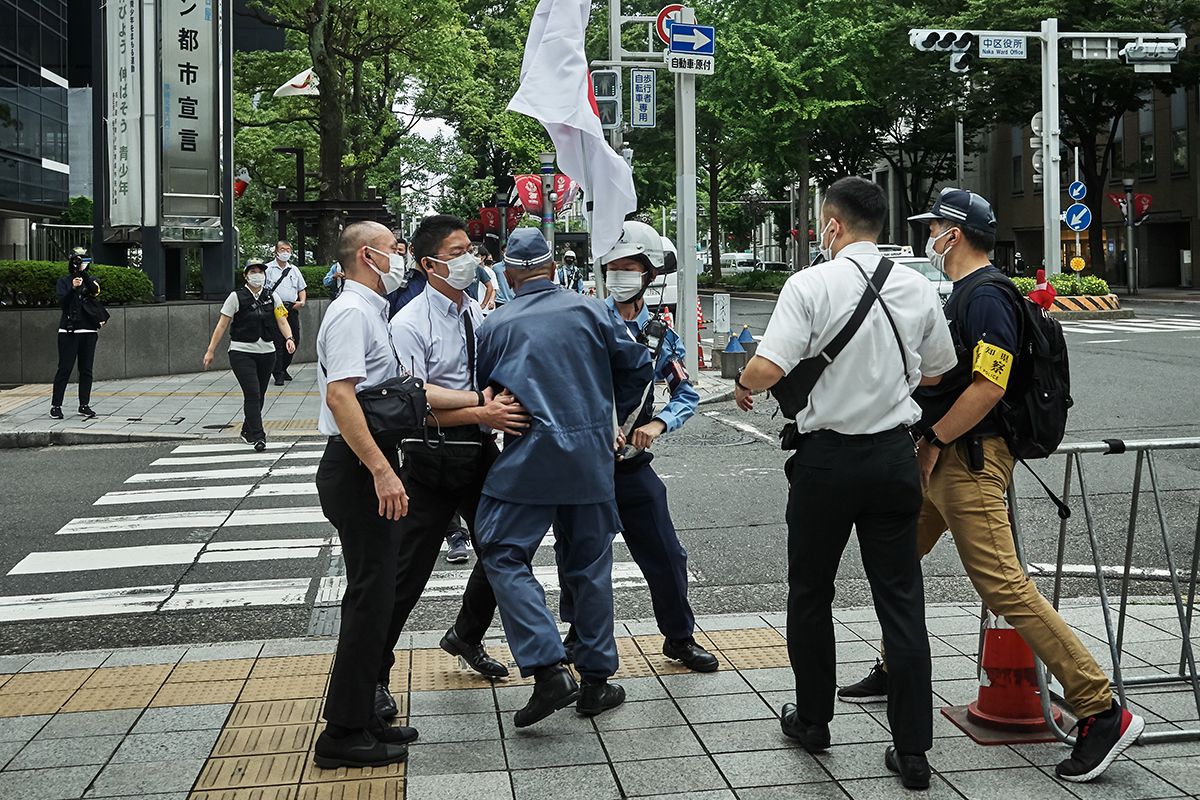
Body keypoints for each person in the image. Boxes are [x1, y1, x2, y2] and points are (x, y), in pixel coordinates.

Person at [839, 188, 1145, 784]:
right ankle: (896, 667)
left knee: (1003, 583)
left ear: (954, 234)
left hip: (968, 460)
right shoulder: (963, 293)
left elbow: (989, 386)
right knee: (895, 557)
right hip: (943, 457)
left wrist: (933, 440)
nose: (930, 237)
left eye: (934, 228)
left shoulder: (986, 296)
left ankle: (1100, 707)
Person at [733, 176, 957, 791]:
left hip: (826, 463)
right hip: (892, 458)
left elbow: (768, 367)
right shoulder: (916, 285)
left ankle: (813, 721)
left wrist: (744, 380)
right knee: (901, 599)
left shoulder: (810, 284)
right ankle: (913, 751)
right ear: (880, 225)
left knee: (811, 591)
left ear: (831, 225)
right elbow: (939, 372)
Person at [474, 228, 652, 727]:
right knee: (589, 565)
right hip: (592, 458)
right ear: (554, 269)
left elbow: (483, 391)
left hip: (528, 459)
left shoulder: (495, 324)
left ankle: (548, 666)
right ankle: (596, 681)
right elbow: (638, 365)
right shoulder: (593, 310)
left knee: (502, 553)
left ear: (508, 275)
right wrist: (610, 418)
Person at [558, 221, 717, 673]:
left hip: (631, 467)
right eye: (613, 268)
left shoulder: (660, 334)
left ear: (649, 275)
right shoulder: (588, 322)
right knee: (579, 556)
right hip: (586, 467)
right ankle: (578, 635)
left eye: (629, 268)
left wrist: (659, 423)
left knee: (667, 554)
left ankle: (679, 637)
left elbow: (686, 391)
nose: (619, 276)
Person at [386, 214, 532, 683]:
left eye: (470, 250)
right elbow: (414, 401)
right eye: (456, 253)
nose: (469, 259)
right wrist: (480, 409)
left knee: (504, 549)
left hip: (479, 449)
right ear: (429, 265)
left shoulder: (474, 311)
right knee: (407, 572)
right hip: (431, 455)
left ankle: (466, 635)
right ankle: (375, 675)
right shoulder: (410, 322)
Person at [203, 259, 296, 451]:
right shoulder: (236, 297)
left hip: (267, 352)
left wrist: (289, 338)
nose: (257, 275)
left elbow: (282, 320)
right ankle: (258, 435)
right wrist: (210, 350)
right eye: (253, 272)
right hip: (241, 351)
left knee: (259, 395)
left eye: (261, 272)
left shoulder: (272, 296)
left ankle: (247, 430)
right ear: (246, 276)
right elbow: (222, 324)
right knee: (252, 393)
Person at [51, 247, 102, 420]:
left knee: (86, 370)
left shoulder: (92, 280)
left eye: (84, 260)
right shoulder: (63, 282)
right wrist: (73, 288)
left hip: (88, 330)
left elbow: (94, 291)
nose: (81, 263)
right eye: (77, 259)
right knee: (64, 368)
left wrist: (83, 274)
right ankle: (56, 406)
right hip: (68, 330)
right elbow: (63, 302)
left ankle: (84, 405)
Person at [265, 241, 307, 386]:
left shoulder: (294, 270)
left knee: (294, 339)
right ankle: (278, 373)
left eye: (288, 250)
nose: (285, 252)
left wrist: (302, 302)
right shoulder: (268, 269)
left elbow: (302, 289)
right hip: (276, 308)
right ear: (276, 252)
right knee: (278, 342)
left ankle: (283, 367)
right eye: (282, 249)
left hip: (291, 308)